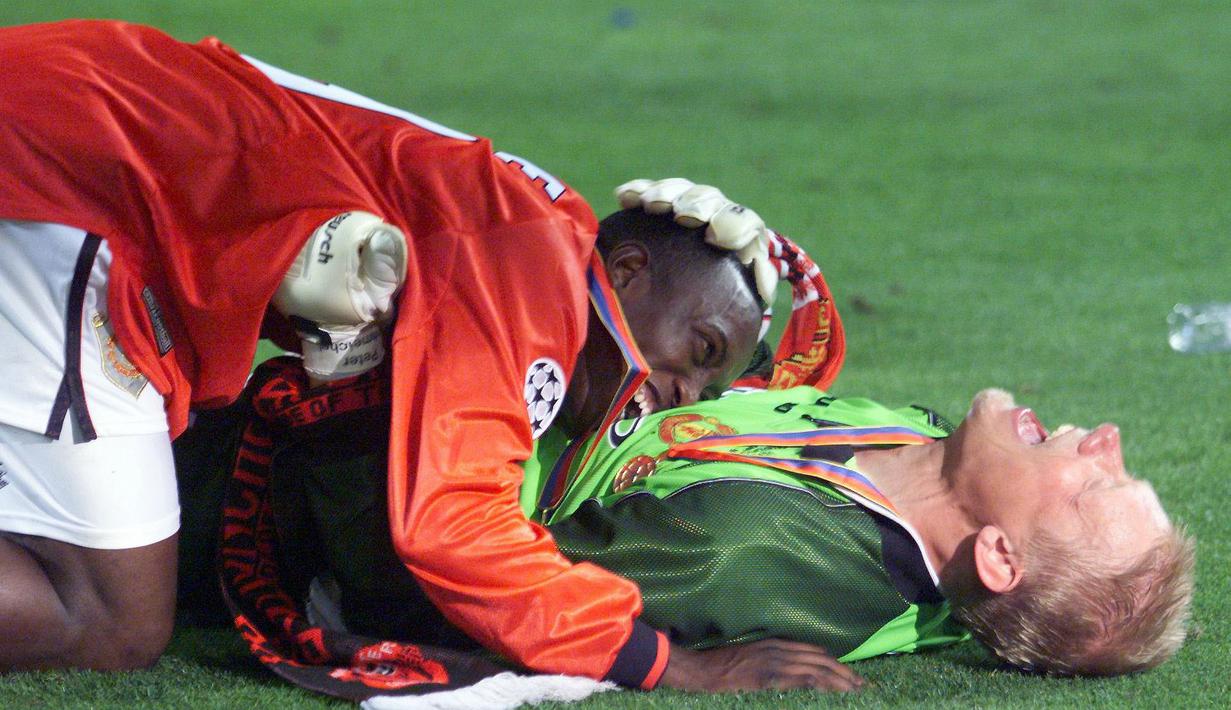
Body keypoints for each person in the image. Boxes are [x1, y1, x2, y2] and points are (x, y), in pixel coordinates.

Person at [0, 18, 846, 692]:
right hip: (79, 172)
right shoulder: (534, 275)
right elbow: (450, 527)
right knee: (108, 619)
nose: (676, 391)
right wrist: (669, 663)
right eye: (697, 351)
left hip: (86, 130)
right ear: (625, 271)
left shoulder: (534, 232)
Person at [175, 361, 1193, 685]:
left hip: (256, 498)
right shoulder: (928, 455)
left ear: (999, 553)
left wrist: (366, 367)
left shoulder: (745, 551)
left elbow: (441, 566)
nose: (1104, 435)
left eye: (1096, 482)